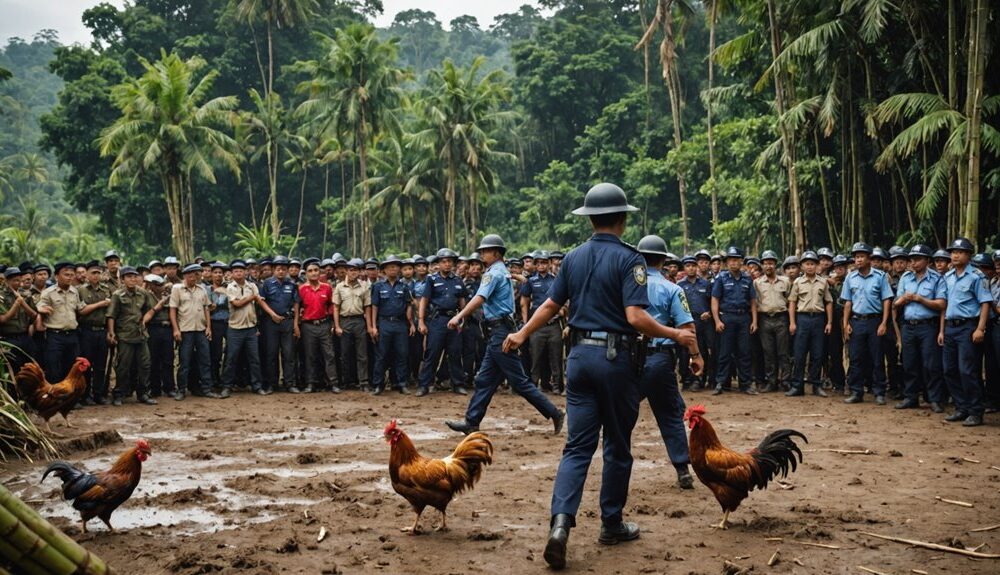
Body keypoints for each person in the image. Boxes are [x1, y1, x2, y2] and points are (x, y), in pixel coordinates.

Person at [501, 183, 698, 569]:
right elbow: (635, 318)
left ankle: (560, 525)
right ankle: (610, 523)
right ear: (623, 219)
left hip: (579, 359)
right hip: (615, 362)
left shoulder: (572, 259)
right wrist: (676, 333)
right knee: (617, 446)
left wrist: (522, 332)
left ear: (590, 218)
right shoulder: (632, 260)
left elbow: (552, 305)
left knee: (576, 447)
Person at [445, 234, 565, 435]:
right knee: (485, 379)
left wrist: (460, 316)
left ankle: (554, 412)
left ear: (496, 253)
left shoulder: (493, 274)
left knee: (519, 381)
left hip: (500, 332)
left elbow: (480, 297)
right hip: (498, 331)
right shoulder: (500, 271)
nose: (482, 254)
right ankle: (472, 421)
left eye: (485, 251)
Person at [633, 235, 703, 489]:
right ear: (664, 261)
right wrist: (696, 356)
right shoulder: (673, 289)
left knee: (621, 413)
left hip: (628, 358)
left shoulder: (626, 285)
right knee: (671, 414)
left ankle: (615, 464)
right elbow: (687, 326)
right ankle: (682, 469)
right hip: (660, 358)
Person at [939, 238, 993, 427]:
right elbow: (945, 305)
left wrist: (980, 328)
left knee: (967, 370)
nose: (955, 255)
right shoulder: (948, 276)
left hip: (968, 327)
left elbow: (985, 303)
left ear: (968, 255)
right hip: (950, 326)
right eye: (953, 252)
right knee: (949, 369)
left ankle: (975, 411)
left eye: (959, 252)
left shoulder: (977, 277)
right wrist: (942, 329)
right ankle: (961, 407)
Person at [892, 245, 946, 412]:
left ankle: (934, 399)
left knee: (931, 364)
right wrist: (905, 299)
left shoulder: (937, 279)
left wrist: (920, 299)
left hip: (928, 326)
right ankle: (911, 397)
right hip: (908, 326)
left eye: (918, 259)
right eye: (912, 260)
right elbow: (896, 302)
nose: (913, 263)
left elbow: (941, 304)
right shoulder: (906, 278)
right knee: (909, 363)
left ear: (927, 261)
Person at [841, 243, 893, 405]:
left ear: (869, 258)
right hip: (856, 321)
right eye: (856, 257)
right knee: (855, 358)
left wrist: (884, 323)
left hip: (875, 321)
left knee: (877, 358)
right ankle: (857, 392)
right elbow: (848, 302)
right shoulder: (850, 277)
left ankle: (879, 392)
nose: (858, 260)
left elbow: (886, 301)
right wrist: (845, 323)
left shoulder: (880, 277)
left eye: (861, 256)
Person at [37, 262, 107, 381]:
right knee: (54, 368)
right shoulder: (48, 293)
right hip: (55, 336)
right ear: (57, 276)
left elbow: (81, 309)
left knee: (71, 369)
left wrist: (101, 304)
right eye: (66, 274)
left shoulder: (75, 292)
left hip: (72, 336)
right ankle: (55, 397)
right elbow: (40, 307)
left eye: (71, 274)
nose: (70, 277)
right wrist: (40, 310)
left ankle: (69, 398)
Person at [415, 248, 467, 397]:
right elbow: (424, 301)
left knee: (455, 353)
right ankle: (424, 385)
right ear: (439, 264)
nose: (447, 264)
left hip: (454, 321)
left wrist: (462, 320)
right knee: (432, 354)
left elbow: (462, 301)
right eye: (444, 261)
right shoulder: (431, 280)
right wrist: (421, 321)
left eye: (449, 261)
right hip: (437, 320)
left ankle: (458, 384)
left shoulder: (458, 280)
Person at [106, 266, 157, 406]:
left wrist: (144, 321)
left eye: (135, 276)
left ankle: (143, 394)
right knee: (123, 366)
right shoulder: (117, 295)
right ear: (122, 279)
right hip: (124, 335)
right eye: (129, 277)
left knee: (145, 364)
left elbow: (150, 310)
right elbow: (111, 315)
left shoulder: (143, 293)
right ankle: (118, 394)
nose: (133, 279)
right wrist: (111, 333)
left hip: (141, 335)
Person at [711, 247, 758, 395]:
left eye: (736, 260)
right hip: (727, 318)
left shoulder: (747, 279)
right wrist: (717, 320)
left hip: (744, 318)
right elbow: (715, 300)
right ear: (726, 263)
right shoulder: (721, 278)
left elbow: (752, 301)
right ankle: (720, 383)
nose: (733, 262)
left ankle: (746, 384)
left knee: (744, 352)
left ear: (741, 262)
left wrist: (754, 321)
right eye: (730, 260)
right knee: (724, 352)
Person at [786, 251, 832, 397]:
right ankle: (797, 386)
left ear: (816, 265)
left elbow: (828, 302)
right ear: (802, 266)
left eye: (812, 264)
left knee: (817, 354)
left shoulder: (823, 282)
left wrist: (829, 322)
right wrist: (792, 322)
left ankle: (816, 386)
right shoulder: (798, 282)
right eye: (807, 264)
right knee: (799, 354)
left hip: (818, 319)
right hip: (802, 319)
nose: (810, 266)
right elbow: (792, 303)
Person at [170, 263, 219, 400]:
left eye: (196, 274)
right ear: (185, 275)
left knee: (205, 360)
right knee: (185, 361)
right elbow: (173, 310)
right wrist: (176, 329)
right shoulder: (177, 289)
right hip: (185, 330)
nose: (193, 277)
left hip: (201, 330)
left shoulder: (202, 289)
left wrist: (208, 327)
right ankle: (181, 390)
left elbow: (206, 309)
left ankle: (206, 389)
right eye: (190, 274)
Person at [220, 260, 268, 397]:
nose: (238, 273)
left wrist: (272, 314)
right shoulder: (230, 287)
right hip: (235, 328)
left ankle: (256, 386)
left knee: (254, 359)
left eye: (241, 270)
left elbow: (259, 303)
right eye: (235, 271)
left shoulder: (252, 285)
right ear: (232, 273)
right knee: (231, 358)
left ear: (245, 272)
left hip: (251, 328)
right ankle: (227, 386)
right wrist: (252, 297)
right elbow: (236, 304)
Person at [520, 250, 563, 394]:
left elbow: (563, 300)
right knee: (535, 357)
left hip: (554, 324)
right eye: (538, 263)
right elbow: (524, 302)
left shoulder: (556, 280)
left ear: (549, 263)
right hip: (537, 325)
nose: (541, 265)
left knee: (556, 357)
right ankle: (533, 385)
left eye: (544, 262)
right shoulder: (531, 281)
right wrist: (526, 323)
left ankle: (557, 386)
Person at [370, 255, 412, 395]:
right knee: (382, 355)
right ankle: (378, 385)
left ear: (398, 269)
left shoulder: (404, 286)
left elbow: (408, 306)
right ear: (384, 270)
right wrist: (374, 326)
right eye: (389, 267)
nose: (393, 269)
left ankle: (401, 383)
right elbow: (374, 307)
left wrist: (411, 323)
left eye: (395, 266)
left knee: (402, 354)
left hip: (400, 324)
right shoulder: (378, 286)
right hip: (384, 323)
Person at [299, 260, 341, 394]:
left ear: (320, 272)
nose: (313, 273)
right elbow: (298, 307)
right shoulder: (301, 289)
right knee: (310, 355)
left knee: (329, 354)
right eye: (310, 271)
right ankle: (311, 383)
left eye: (316, 270)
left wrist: (333, 323)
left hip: (324, 324)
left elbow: (331, 305)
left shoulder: (327, 287)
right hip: (308, 326)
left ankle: (333, 383)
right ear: (306, 274)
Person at [261, 255, 301, 393]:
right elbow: (262, 301)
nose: (281, 272)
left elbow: (296, 304)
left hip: (287, 322)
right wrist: (272, 314)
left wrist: (296, 324)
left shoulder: (292, 284)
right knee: (271, 354)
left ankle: (290, 383)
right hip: (271, 323)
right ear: (273, 270)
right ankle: (272, 384)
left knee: (288, 354)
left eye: (284, 269)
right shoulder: (266, 284)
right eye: (278, 269)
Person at [76, 260, 113, 405]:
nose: (96, 276)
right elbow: (81, 311)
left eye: (98, 273)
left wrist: (110, 331)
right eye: (93, 273)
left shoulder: (106, 290)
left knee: (100, 365)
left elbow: (110, 313)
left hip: (102, 330)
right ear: (87, 274)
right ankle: (85, 395)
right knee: (86, 365)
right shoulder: (81, 290)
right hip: (86, 331)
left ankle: (98, 394)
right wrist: (100, 304)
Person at [754, 250, 790, 393]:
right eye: (765, 263)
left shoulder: (785, 281)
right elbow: (755, 302)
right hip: (764, 319)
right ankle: (771, 382)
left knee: (783, 352)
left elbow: (790, 300)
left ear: (775, 265)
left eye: (771, 263)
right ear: (762, 265)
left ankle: (786, 381)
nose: (768, 266)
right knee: (768, 352)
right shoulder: (757, 283)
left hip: (781, 318)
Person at [334, 259, 372, 391]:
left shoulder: (364, 286)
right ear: (346, 271)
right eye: (351, 270)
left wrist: (369, 326)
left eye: (356, 270)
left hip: (359, 321)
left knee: (362, 354)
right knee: (345, 354)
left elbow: (367, 307)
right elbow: (336, 308)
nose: (353, 272)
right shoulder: (339, 287)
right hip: (345, 321)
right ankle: (346, 381)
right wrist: (337, 326)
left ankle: (363, 381)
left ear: (359, 272)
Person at [677, 255, 713, 391]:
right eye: (688, 266)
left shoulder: (705, 284)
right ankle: (686, 379)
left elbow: (712, 302)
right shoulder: (680, 285)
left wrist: (708, 312)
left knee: (700, 351)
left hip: (702, 323)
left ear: (696, 267)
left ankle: (698, 379)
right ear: (684, 268)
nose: (691, 268)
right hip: (685, 322)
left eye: (693, 265)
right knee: (684, 353)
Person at [0, 267, 38, 373]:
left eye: (19, 280)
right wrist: (17, 304)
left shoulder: (26, 294)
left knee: (30, 369)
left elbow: (34, 315)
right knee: (12, 369)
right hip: (9, 340)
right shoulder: (1, 296)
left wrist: (23, 303)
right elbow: (3, 319)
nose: (18, 283)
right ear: (7, 281)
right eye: (15, 281)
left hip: (25, 337)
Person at [144, 274, 175, 398]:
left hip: (167, 328)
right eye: (156, 285)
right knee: (154, 359)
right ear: (151, 286)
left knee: (168, 359)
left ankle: (169, 387)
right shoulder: (147, 296)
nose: (159, 287)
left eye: (161, 285)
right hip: (153, 328)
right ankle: (154, 388)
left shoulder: (168, 296)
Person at [207, 261, 230, 390]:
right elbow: (209, 307)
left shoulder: (229, 288)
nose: (218, 275)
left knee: (230, 352)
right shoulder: (207, 289)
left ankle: (226, 380)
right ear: (211, 275)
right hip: (214, 323)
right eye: (215, 272)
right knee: (215, 353)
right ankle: (214, 380)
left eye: (220, 273)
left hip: (228, 323)